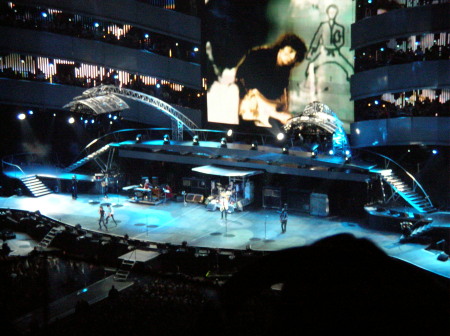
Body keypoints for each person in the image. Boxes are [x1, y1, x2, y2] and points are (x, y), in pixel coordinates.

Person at [235, 33, 307, 127]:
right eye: (290, 51)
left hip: (263, 103)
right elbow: (248, 85)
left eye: (296, 56)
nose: (292, 57)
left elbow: (279, 96)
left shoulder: (284, 71)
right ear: (281, 47)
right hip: (246, 98)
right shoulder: (260, 56)